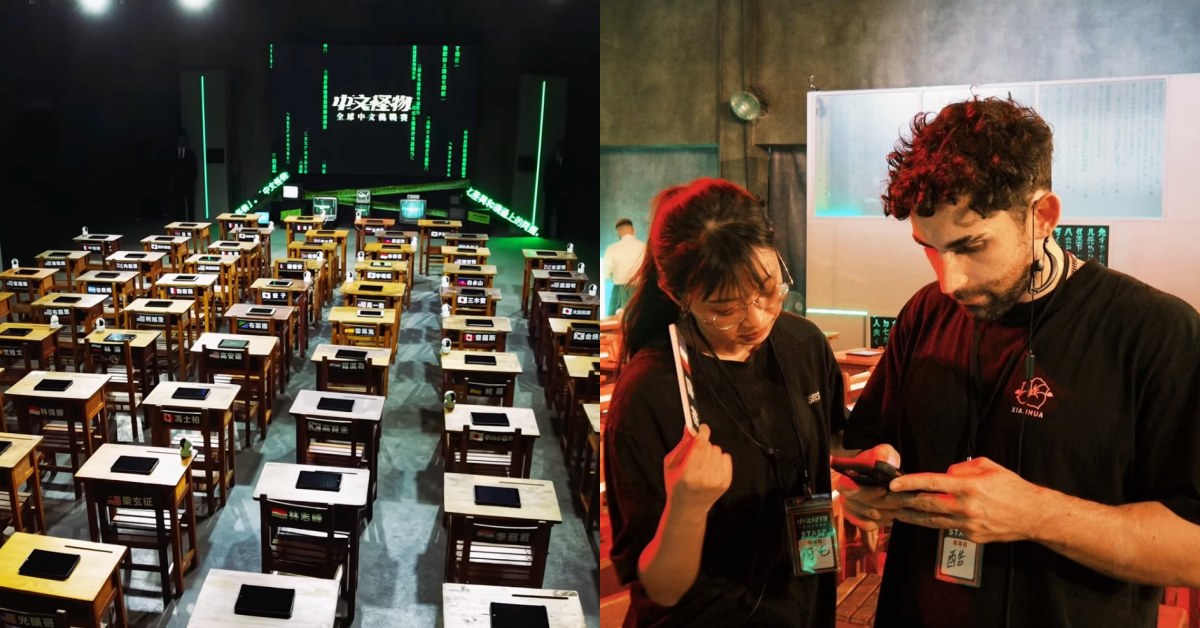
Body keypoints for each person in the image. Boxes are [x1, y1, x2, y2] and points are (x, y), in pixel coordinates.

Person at [837, 96, 1200, 627]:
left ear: (1042, 216)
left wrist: (1035, 515)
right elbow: (872, 447)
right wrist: (866, 491)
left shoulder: (1154, 332)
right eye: (929, 248)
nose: (949, 280)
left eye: (971, 246)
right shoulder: (925, 312)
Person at [605, 178, 844, 627]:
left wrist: (863, 466)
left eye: (769, 289)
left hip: (803, 608)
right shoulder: (649, 392)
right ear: (678, 295)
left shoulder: (804, 342)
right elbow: (662, 589)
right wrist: (687, 506)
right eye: (725, 309)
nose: (757, 319)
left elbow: (829, 438)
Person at [603, 217, 646, 316]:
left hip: (619, 291)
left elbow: (607, 275)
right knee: (640, 319)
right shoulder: (645, 247)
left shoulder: (612, 249)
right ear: (633, 230)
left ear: (619, 232)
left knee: (614, 321)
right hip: (640, 291)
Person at [171, 130, 198, 221]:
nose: (181, 142)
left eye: (182, 139)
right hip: (177, 184)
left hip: (188, 183)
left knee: (190, 204)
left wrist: (191, 181)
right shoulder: (173, 154)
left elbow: (194, 169)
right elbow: (170, 168)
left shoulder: (190, 154)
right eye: (179, 140)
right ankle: (179, 222)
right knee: (178, 205)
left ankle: (191, 223)